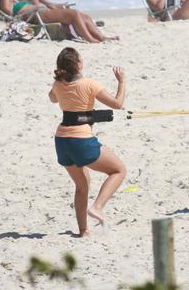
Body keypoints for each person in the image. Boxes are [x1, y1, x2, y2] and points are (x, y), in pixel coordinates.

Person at [48, 47, 127, 237]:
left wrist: (59, 84)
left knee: (82, 185)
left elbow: (52, 99)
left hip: (62, 141)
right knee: (118, 170)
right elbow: (118, 104)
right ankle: (98, 207)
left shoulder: (58, 85)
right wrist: (122, 82)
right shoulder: (90, 84)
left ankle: (83, 231)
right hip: (80, 140)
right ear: (78, 65)